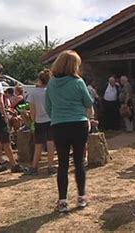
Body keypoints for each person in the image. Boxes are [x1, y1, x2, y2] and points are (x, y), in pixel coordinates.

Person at [45, 50, 94, 213]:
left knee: (63, 164)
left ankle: (63, 201)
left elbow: (48, 106)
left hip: (59, 125)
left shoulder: (51, 83)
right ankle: (81, 198)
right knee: (79, 162)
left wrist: (57, 116)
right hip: (78, 124)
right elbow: (88, 102)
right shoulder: (78, 82)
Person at [24, 69, 56, 176]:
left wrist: (33, 120)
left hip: (39, 121)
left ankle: (34, 167)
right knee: (51, 143)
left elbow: (32, 110)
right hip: (51, 119)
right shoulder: (51, 92)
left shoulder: (34, 93)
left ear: (40, 80)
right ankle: (50, 167)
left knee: (38, 145)